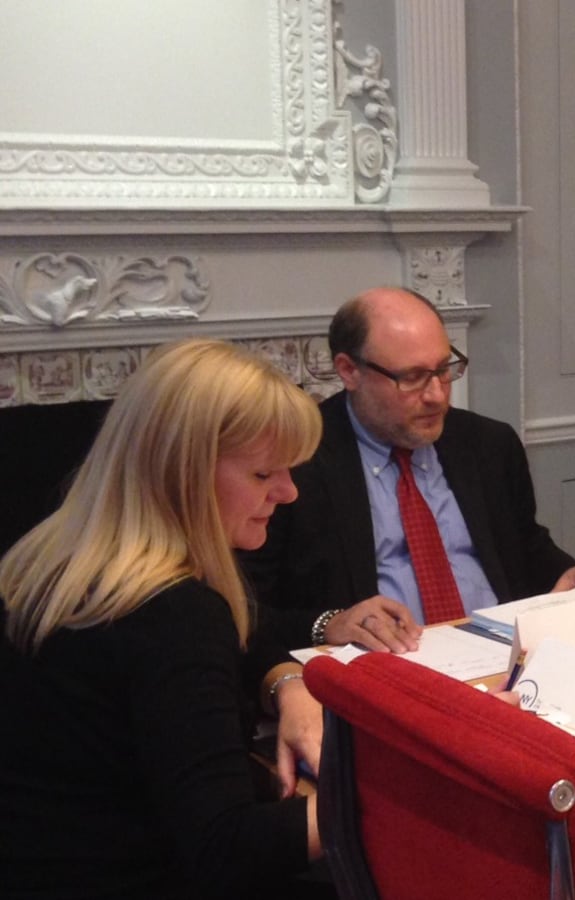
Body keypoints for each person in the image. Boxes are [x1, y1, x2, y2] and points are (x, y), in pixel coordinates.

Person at [0, 339, 329, 899]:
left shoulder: (55, 561)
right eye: (262, 474)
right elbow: (227, 848)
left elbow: (242, 634)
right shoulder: (173, 615)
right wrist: (395, 787)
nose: (289, 492)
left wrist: (289, 682)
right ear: (185, 471)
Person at [242, 287, 575, 652]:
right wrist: (329, 623)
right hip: (383, 671)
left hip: (502, 658)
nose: (437, 395)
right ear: (348, 370)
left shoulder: (488, 445)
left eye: (443, 370)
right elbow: (249, 609)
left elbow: (525, 548)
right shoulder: (295, 463)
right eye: (411, 378)